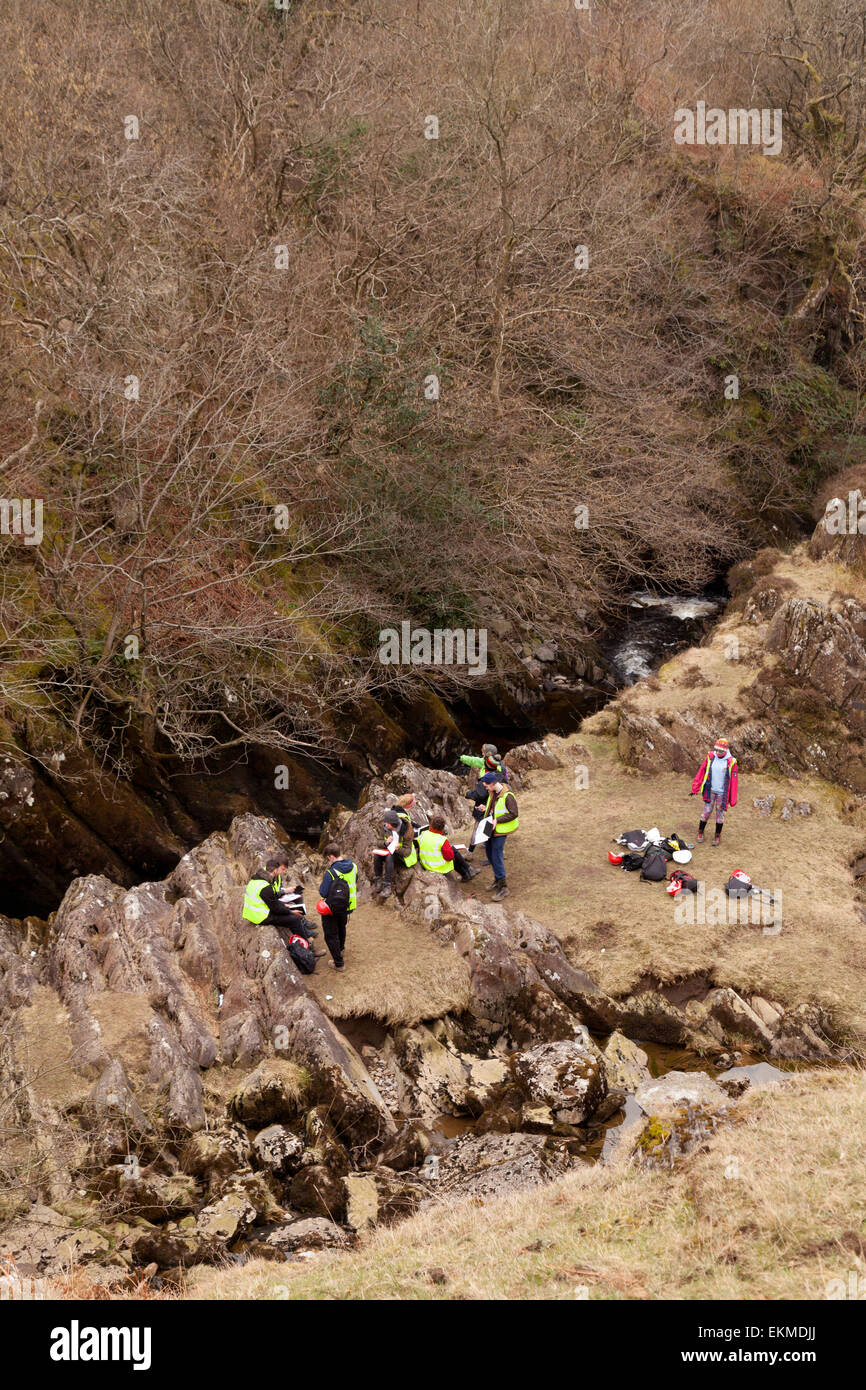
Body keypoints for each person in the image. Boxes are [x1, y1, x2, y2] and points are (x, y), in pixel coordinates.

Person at [242, 857, 325, 969]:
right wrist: (291, 911)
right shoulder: (265, 887)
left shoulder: (256, 880)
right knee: (294, 920)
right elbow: (276, 908)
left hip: (252, 913)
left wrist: (285, 906)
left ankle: (305, 938)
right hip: (261, 916)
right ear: (275, 870)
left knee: (291, 913)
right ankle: (309, 947)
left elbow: (271, 900)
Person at [690, 737, 738, 846]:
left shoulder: (731, 762)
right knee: (706, 811)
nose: (718, 752)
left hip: (722, 793)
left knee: (720, 814)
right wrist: (695, 788)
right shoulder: (711, 757)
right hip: (710, 790)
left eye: (720, 750)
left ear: (725, 750)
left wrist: (733, 799)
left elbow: (734, 782)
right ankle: (700, 832)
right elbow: (701, 771)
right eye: (716, 749)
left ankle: (717, 835)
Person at [479, 771, 518, 900]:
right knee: (490, 854)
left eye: (486, 785)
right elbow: (494, 808)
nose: (485, 788)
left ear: (492, 783)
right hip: (490, 828)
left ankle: (503, 887)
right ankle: (497, 880)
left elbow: (514, 813)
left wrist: (498, 820)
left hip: (500, 831)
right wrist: (485, 808)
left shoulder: (508, 796)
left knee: (496, 856)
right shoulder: (493, 792)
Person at [318, 843, 357, 972]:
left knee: (330, 934)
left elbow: (323, 892)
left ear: (330, 857)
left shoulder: (331, 872)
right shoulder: (354, 867)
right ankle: (341, 949)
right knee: (341, 927)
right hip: (348, 905)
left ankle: (338, 963)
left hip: (333, 908)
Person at [417, 812, 480, 881]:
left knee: (452, 849)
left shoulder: (423, 834)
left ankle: (467, 871)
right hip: (438, 867)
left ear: (431, 825)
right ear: (443, 828)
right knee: (454, 856)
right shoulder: (442, 839)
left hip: (425, 863)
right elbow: (449, 857)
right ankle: (467, 871)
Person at [372, 810, 418, 900]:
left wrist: (398, 848)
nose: (385, 824)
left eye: (387, 823)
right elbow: (378, 842)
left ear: (393, 824)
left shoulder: (407, 830)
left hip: (401, 856)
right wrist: (386, 842)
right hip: (389, 850)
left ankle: (387, 886)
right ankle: (378, 879)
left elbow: (407, 852)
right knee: (376, 855)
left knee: (390, 857)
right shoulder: (385, 827)